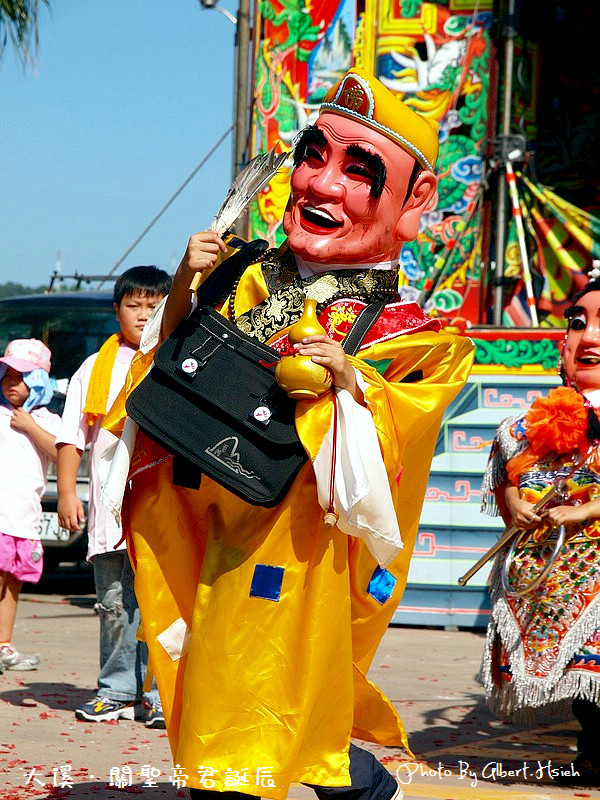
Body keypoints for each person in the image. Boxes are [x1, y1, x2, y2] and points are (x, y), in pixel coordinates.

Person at [105, 67, 474, 798]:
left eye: (358, 170)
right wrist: (185, 281)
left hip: (296, 553)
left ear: (414, 200)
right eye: (314, 156)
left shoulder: (415, 336)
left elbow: (397, 444)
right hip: (203, 523)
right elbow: (158, 364)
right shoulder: (240, 274)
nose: (322, 185)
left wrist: (347, 381)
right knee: (255, 707)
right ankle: (352, 778)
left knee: (238, 713)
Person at [480, 275, 600, 785]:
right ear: (562, 345)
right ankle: (592, 749)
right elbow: (509, 485)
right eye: (579, 324)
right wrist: (514, 500)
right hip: (548, 570)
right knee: (584, 682)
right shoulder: (522, 428)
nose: (589, 337)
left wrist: (588, 510)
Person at [56, 266, 171, 725]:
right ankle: (116, 691)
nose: (143, 315)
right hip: (108, 511)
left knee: (163, 604)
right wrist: (68, 491)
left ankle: (161, 696)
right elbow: (71, 437)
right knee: (115, 605)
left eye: (154, 305)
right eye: (133, 305)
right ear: (117, 310)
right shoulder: (95, 367)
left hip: (162, 508)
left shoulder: (177, 356)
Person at [0, 339, 61, 671]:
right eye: (7, 373)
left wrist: (30, 426)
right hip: (0, 517)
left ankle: (4, 644)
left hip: (24, 517)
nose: (12, 381)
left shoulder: (48, 420)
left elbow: (60, 451)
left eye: (21, 376)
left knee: (12, 581)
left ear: (38, 381)